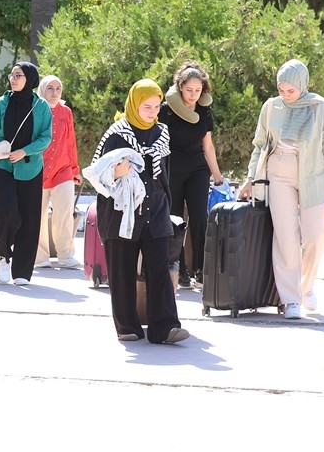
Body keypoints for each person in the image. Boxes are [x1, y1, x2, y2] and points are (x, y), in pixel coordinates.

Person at [238, 58, 324, 320]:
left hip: (312, 173)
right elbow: (260, 144)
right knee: (285, 237)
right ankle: (290, 299)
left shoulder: (319, 108)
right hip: (278, 172)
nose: (285, 96)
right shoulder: (271, 107)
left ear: (303, 85)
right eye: (281, 90)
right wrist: (250, 177)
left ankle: (306, 286)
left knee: (315, 238)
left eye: (291, 91)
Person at [85, 78, 190, 344]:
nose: (153, 112)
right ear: (134, 104)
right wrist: (116, 172)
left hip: (155, 208)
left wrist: (168, 206)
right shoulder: (117, 133)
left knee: (159, 267)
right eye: (147, 106)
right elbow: (98, 173)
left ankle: (165, 327)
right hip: (121, 212)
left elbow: (163, 173)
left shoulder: (161, 134)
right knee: (122, 270)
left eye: (157, 106)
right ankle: (127, 326)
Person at [0, 61, 52, 285]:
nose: (13, 78)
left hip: (30, 168)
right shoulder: (2, 103)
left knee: (30, 220)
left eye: (18, 75)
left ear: (29, 79)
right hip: (2, 167)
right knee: (7, 212)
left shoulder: (41, 106)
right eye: (12, 75)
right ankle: (4, 255)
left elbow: (46, 137)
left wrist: (24, 151)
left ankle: (22, 271)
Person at [158, 62, 225, 288]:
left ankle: (201, 268)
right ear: (180, 87)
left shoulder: (204, 110)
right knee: (176, 218)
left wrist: (217, 175)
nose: (193, 95)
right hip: (173, 169)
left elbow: (208, 145)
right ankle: (180, 269)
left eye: (198, 90)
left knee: (199, 216)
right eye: (189, 90)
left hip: (197, 169)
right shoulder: (166, 110)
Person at [35, 74, 82, 269]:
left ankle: (65, 255)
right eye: (50, 89)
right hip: (38, 169)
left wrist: (75, 169)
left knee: (64, 212)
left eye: (58, 89)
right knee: (37, 214)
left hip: (63, 170)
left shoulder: (66, 112)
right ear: (42, 90)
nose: (55, 93)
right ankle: (40, 257)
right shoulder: (35, 110)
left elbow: (70, 141)